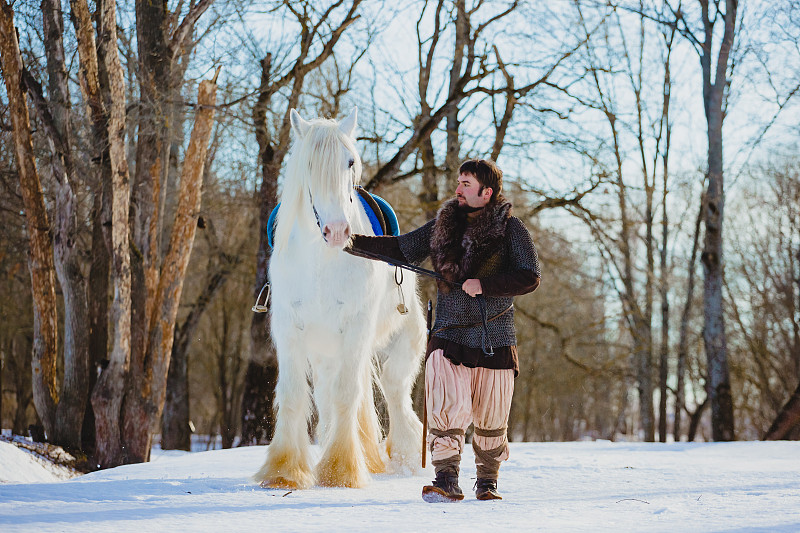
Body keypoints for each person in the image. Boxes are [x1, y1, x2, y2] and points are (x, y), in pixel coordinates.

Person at [345, 159, 540, 502]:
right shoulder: (443, 226)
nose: (457, 189)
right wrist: (349, 241)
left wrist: (486, 284)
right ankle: (446, 479)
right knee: (447, 405)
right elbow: (401, 249)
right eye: (459, 182)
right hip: (449, 335)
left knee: (492, 417)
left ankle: (487, 482)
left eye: (466, 184)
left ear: (487, 192)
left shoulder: (512, 230)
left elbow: (530, 276)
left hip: (495, 337)